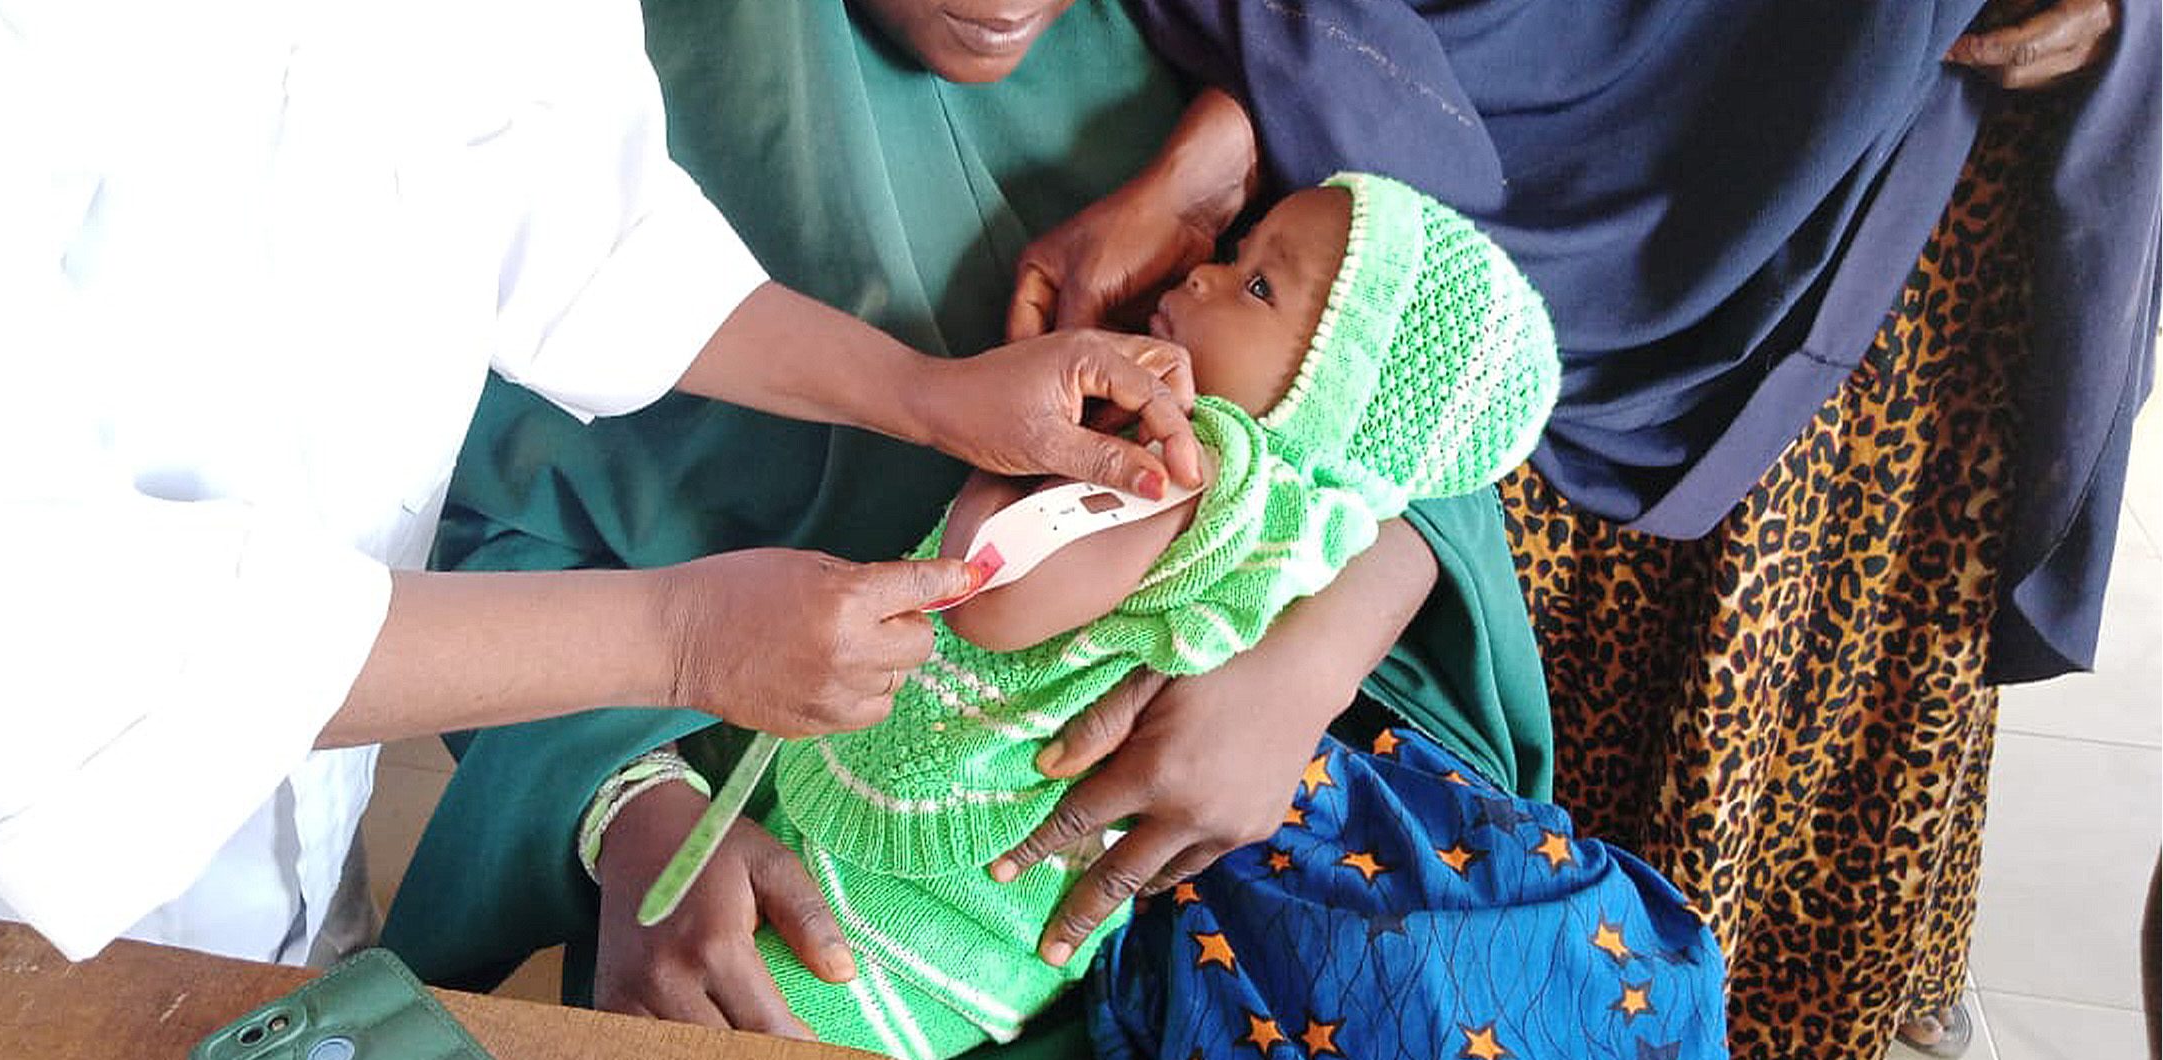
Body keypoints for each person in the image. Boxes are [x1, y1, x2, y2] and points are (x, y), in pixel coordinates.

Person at [0, 0, 1202, 966]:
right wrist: (676, 640)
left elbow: (552, 192)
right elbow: (12, 636)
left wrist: (920, 393)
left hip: (283, 855)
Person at [381, 5, 1558, 1054]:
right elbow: (465, 504)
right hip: (764, 905)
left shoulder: (1239, 68)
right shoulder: (567, 77)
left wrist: (1307, 662)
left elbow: (1409, 411)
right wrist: (627, 800)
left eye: (1249, 274)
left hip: (1160, 960)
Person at [1004, 1, 2156, 1056]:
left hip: (1873, 186)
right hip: (1434, 102)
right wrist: (1251, 116)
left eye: (1246, 278)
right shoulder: (1309, 296)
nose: (1212, 282)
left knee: (1653, 899)